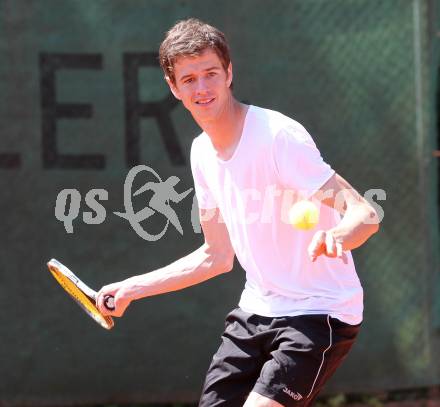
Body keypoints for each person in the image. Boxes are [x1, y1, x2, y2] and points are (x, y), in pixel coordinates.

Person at [97, 18, 379, 407]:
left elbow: (364, 213)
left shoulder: (278, 137)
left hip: (319, 312)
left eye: (211, 73)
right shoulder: (201, 152)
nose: (202, 87)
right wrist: (133, 288)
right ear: (174, 87)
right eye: (189, 78)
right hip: (256, 312)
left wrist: (337, 236)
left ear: (229, 73)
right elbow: (216, 255)